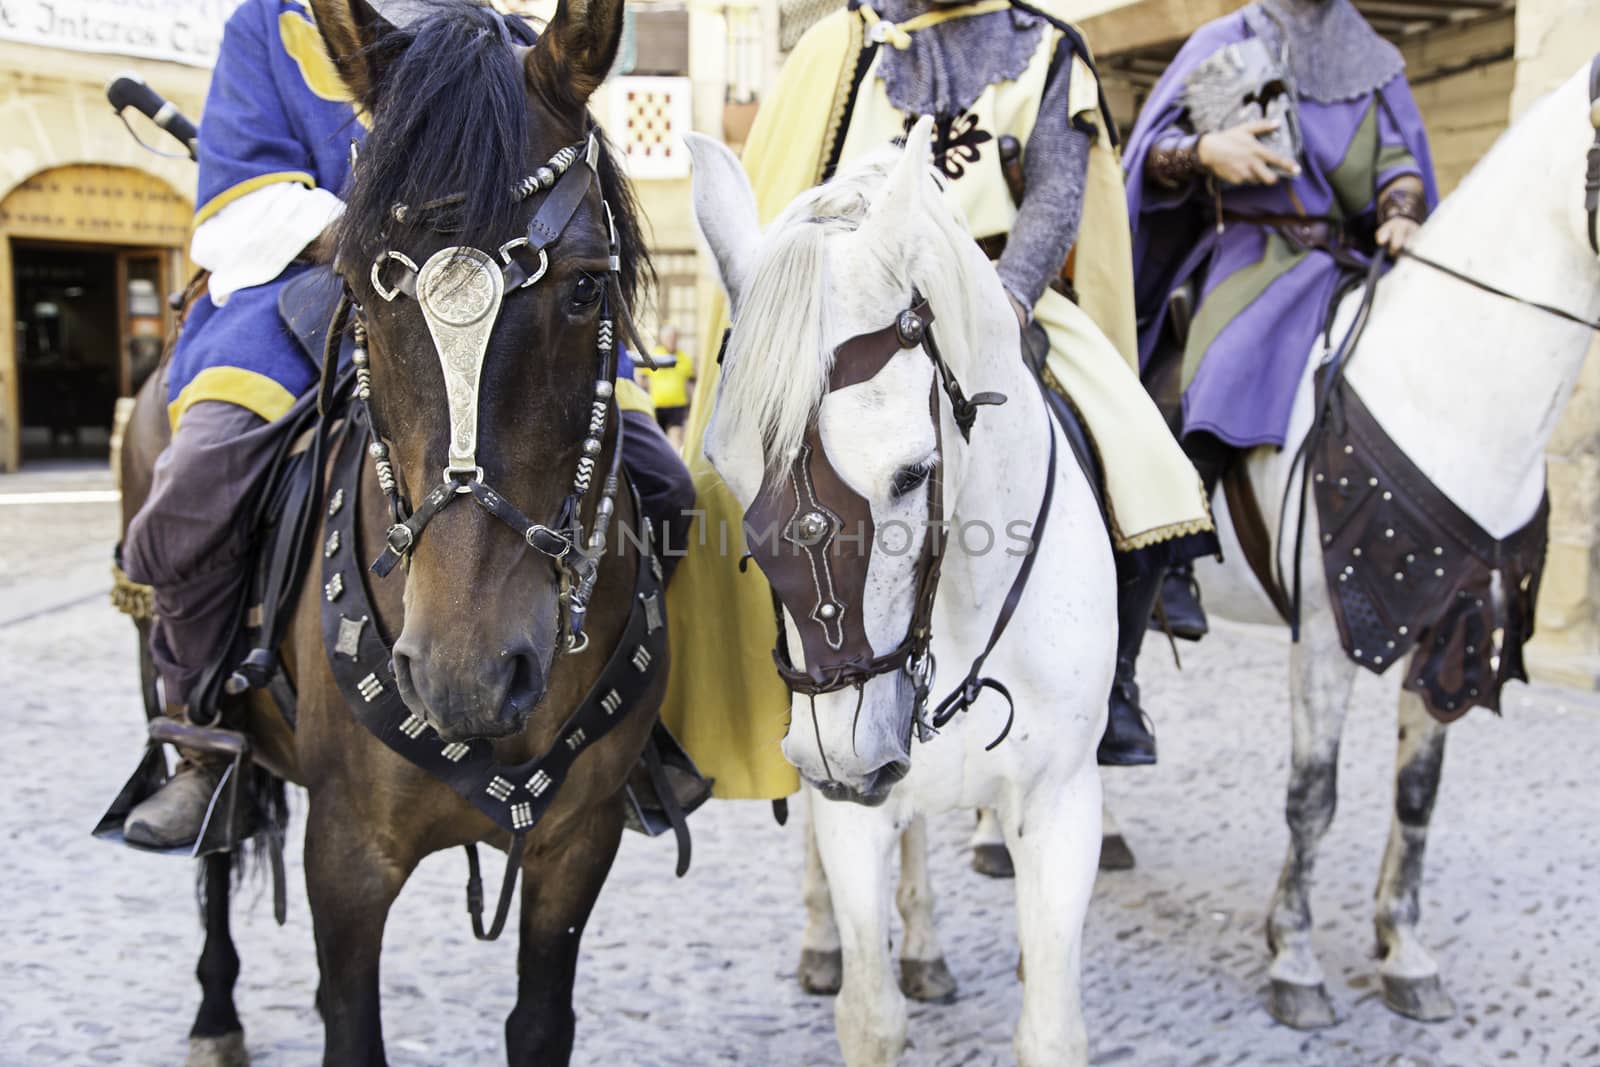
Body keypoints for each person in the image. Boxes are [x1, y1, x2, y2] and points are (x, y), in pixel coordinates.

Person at [119, 0, 691, 849]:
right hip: (300, 297)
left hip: (498, 308)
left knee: (664, 484)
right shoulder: (267, 29)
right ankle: (205, 739)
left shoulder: (505, 38)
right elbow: (237, 205)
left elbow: (550, 179)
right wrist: (378, 223)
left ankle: (630, 728)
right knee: (195, 487)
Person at [659, 0, 1220, 796]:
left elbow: (1057, 198)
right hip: (865, 320)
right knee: (785, 478)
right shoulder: (854, 53)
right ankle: (802, 679)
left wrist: (1010, 299)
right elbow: (811, 200)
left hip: (1002, 299)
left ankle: (1113, 681)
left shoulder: (1047, 48)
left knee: (1144, 460)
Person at [1124, 0, 1437, 631]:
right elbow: (1149, 154)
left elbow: (1397, 158)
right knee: (1226, 361)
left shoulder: (1369, 54)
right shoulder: (1222, 38)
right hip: (1250, 251)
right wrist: (1205, 150)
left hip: (1345, 259)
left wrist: (1400, 207)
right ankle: (1171, 551)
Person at [637, 323, 695, 449]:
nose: (672, 340)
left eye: (674, 337)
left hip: (678, 405)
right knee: (658, 439)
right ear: (663, 339)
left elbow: (690, 383)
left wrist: (694, 404)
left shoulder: (685, 358)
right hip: (657, 405)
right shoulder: (654, 356)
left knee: (676, 437)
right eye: (669, 337)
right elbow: (642, 378)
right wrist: (642, 399)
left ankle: (676, 463)